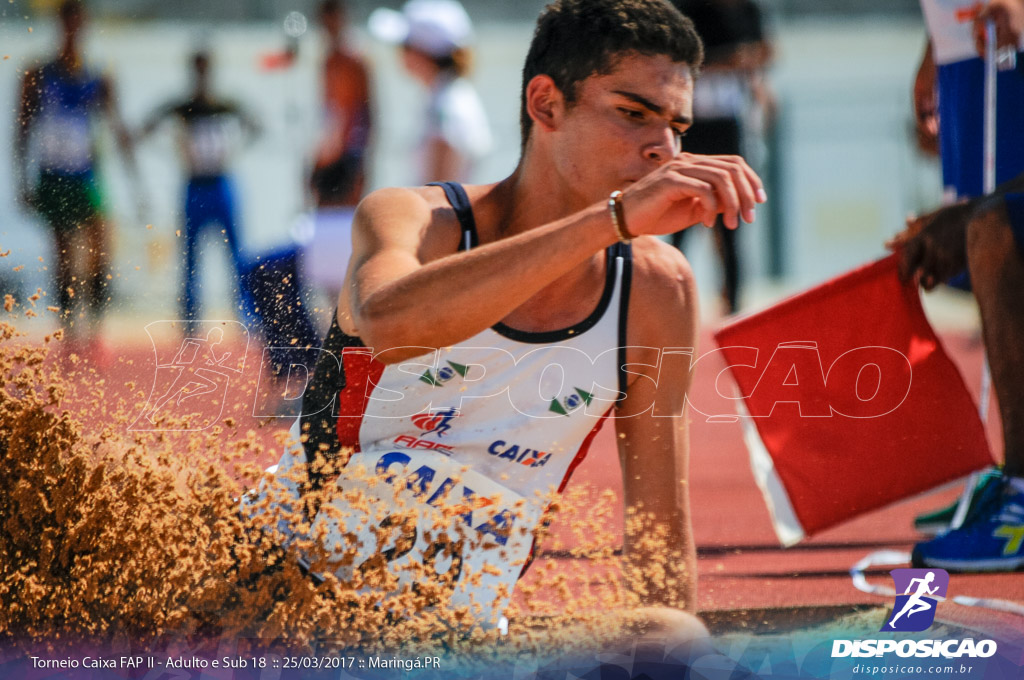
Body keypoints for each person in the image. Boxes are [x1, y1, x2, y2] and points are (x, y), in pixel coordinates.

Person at [254, 0, 765, 641]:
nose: (663, 148)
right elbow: (387, 323)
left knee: (671, 636)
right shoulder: (413, 221)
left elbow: (659, 529)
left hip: (458, 641)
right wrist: (607, 223)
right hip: (280, 608)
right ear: (546, 103)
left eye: (676, 126)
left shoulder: (658, 289)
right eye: (633, 114)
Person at [909, 0, 1024, 538]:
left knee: (997, 233)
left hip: (1000, 37)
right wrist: (933, 48)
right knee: (983, 241)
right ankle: (1005, 469)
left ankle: (1016, 486)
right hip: (961, 48)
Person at [14, 0, 138, 352]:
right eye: (67, 20)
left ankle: (96, 328)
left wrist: (136, 184)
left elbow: (117, 128)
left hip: (86, 175)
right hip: (53, 174)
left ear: (84, 24)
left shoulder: (99, 75)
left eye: (78, 21)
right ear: (60, 23)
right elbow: (22, 130)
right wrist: (21, 182)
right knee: (63, 254)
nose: (73, 27)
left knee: (101, 247)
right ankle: (69, 333)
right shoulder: (37, 74)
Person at [136, 49, 260, 332]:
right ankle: (190, 320)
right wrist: (168, 150)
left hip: (221, 183)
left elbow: (255, 124)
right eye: (198, 69)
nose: (202, 75)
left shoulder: (225, 104)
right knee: (191, 257)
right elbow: (147, 126)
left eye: (206, 69)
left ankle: (245, 315)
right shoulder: (183, 106)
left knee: (236, 255)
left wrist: (236, 149)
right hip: (194, 186)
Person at [668, 0, 773, 315]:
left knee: (732, 215)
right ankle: (672, 297)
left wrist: (752, 73)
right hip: (692, 123)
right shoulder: (686, 9)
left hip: (731, 122)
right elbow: (677, 59)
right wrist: (730, 60)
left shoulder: (748, 11)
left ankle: (732, 301)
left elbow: (767, 51)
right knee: (681, 215)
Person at [368, 0, 492, 183]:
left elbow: (437, 194)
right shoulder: (445, 96)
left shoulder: (447, 105)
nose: (398, 53)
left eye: (404, 45)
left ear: (423, 51)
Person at [311, 0, 373, 208]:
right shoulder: (328, 59)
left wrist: (358, 151)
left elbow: (366, 108)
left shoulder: (355, 58)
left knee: (348, 213)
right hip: (331, 147)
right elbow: (328, 107)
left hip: (351, 147)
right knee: (322, 210)